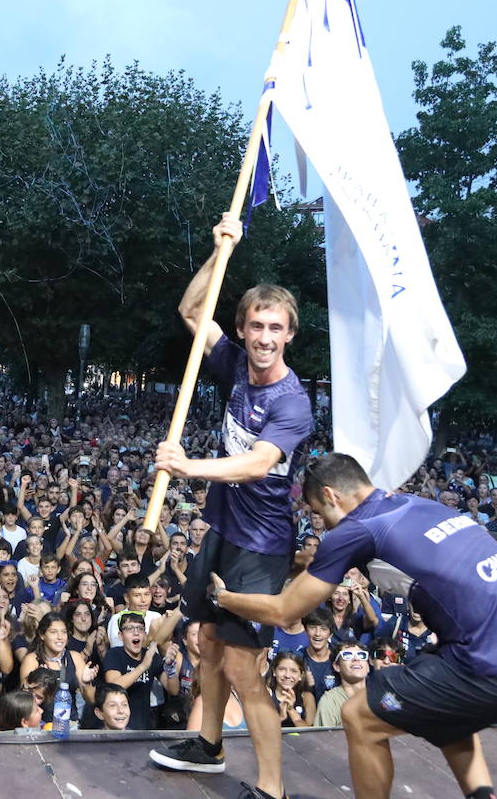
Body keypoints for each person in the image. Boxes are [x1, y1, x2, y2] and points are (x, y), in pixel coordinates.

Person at [211, 453, 497, 799]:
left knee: (359, 716)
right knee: (444, 703)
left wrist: (226, 598)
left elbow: (284, 612)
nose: (325, 525)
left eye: (320, 513)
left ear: (331, 495)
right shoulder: (420, 505)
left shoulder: (356, 529)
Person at [148, 216, 312, 799]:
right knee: (208, 643)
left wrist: (186, 466)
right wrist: (221, 253)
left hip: (261, 546)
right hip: (222, 526)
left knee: (245, 669)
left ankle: (272, 789)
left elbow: (258, 463)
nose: (264, 337)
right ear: (242, 329)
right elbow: (193, 312)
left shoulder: (293, 401)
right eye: (255, 325)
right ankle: (210, 744)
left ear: (290, 333)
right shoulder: (236, 367)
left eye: (276, 327)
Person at [311, 642, 370, 728]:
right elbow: (323, 740)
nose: (356, 659)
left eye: (361, 655)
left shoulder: (380, 696)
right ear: (336, 666)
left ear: (368, 666)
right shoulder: (330, 701)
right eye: (347, 655)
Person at [265, 651, 315, 728]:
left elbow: (310, 734)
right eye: (282, 669)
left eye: (294, 671)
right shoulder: (266, 695)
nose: (287, 675)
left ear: (301, 676)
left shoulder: (307, 697)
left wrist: (291, 710)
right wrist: (280, 717)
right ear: (274, 672)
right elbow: (260, 730)